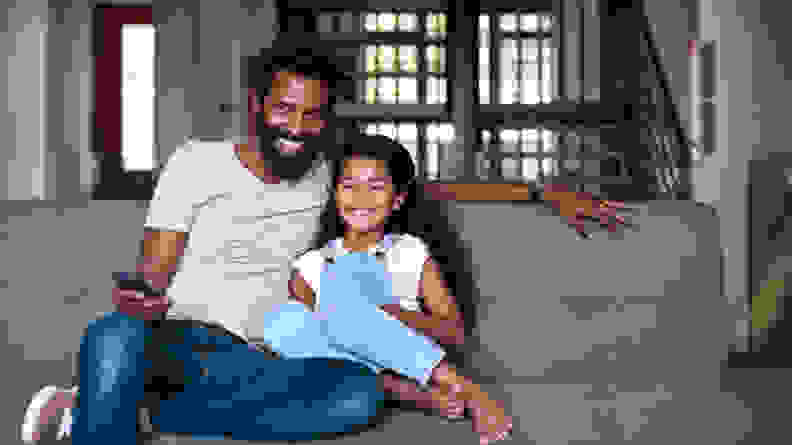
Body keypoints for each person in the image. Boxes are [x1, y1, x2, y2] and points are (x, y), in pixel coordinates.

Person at [21, 35, 628, 444]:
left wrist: (543, 193)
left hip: (278, 357)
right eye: (284, 110)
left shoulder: (334, 176)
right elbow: (156, 268)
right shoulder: (196, 161)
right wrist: (141, 300)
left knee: (355, 400)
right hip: (185, 341)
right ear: (256, 104)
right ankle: (118, 394)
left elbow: (431, 188)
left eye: (313, 115)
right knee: (110, 336)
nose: (298, 127)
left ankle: (119, 408)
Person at [253, 133, 514, 444]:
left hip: (412, 360)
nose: (360, 198)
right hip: (351, 372)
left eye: (375, 187)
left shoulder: (410, 252)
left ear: (398, 199)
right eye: (349, 186)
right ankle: (407, 393)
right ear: (335, 194)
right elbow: (312, 340)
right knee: (282, 321)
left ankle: (459, 387)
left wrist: (388, 313)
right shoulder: (313, 264)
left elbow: (454, 333)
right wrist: (345, 309)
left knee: (346, 297)